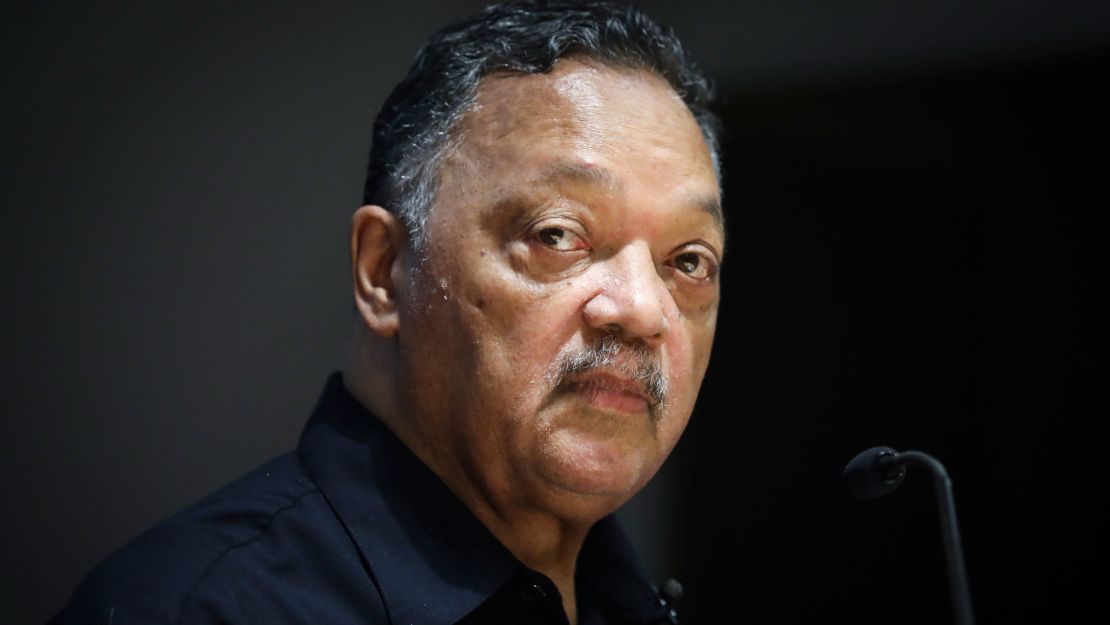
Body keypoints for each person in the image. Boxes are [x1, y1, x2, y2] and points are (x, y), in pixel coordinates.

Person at [53, 1, 724, 623]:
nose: (642, 309)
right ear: (383, 270)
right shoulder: (193, 606)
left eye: (688, 260)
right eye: (558, 235)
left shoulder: (628, 600)